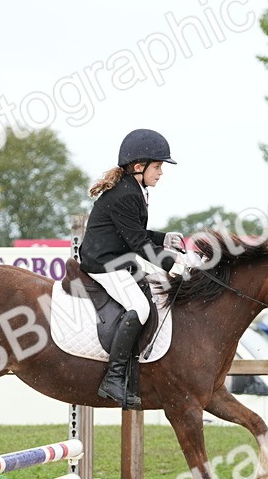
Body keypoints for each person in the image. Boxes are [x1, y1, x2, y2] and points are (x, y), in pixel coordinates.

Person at [79, 128, 200, 409]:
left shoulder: (133, 188)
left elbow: (135, 232)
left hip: (118, 258)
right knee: (141, 308)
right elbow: (136, 243)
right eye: (157, 167)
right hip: (102, 264)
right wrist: (174, 263)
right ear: (139, 167)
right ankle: (114, 377)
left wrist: (163, 238)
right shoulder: (125, 193)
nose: (161, 173)